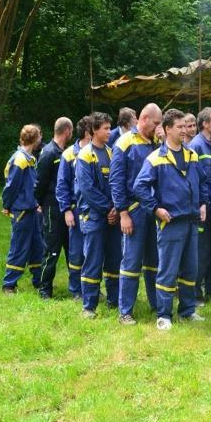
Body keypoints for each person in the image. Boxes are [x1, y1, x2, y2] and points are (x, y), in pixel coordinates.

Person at [133, 108, 207, 330]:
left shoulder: (192, 155)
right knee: (168, 270)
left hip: (191, 221)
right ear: (167, 129)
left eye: (186, 126)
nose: (185, 130)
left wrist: (203, 203)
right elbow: (140, 187)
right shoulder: (155, 158)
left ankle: (187, 310)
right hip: (170, 223)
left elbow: (203, 182)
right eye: (180, 127)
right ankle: (164, 314)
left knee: (190, 269)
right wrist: (156, 209)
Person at [110, 103, 162, 325]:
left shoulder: (156, 144)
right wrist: (123, 213)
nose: (159, 128)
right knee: (131, 262)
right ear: (144, 118)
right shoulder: (124, 143)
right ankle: (125, 312)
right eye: (156, 123)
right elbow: (116, 181)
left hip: (153, 210)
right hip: (133, 211)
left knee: (154, 261)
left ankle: (156, 304)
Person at [76, 112, 121, 318]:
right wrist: (107, 209)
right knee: (93, 261)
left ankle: (114, 301)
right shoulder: (85, 155)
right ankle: (89, 306)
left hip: (112, 216)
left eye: (110, 128)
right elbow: (87, 189)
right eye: (105, 128)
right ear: (94, 130)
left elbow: (116, 183)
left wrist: (115, 208)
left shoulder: (112, 153)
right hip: (93, 217)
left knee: (114, 260)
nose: (109, 132)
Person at [1, 124, 44, 294]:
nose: (41, 139)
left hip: (32, 210)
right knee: (19, 247)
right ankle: (9, 284)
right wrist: (7, 206)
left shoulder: (29, 158)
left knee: (37, 246)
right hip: (22, 211)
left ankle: (38, 280)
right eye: (40, 136)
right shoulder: (19, 159)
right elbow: (11, 187)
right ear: (34, 139)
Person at [33, 117, 72, 298]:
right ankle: (44, 289)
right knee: (52, 250)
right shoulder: (49, 153)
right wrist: (40, 203)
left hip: (65, 209)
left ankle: (77, 288)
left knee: (72, 249)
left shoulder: (65, 152)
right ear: (67, 131)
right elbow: (39, 183)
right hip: (51, 209)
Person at [55, 116, 91, 300]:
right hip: (76, 211)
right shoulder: (69, 154)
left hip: (94, 211)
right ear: (87, 132)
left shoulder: (100, 152)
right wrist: (67, 210)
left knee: (92, 252)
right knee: (76, 252)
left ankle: (91, 287)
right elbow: (61, 185)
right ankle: (76, 289)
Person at [189, 107, 211, 306]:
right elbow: (195, 180)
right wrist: (201, 203)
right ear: (205, 125)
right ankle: (194, 292)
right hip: (203, 207)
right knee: (201, 251)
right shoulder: (196, 146)